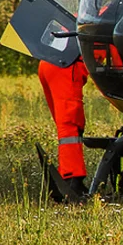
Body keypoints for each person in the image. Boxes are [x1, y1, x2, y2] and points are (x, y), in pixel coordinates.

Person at [38, 57, 90, 197]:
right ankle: (71, 180)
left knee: (65, 126)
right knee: (71, 124)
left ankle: (67, 175)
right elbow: (120, 64)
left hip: (47, 64)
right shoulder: (114, 34)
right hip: (66, 67)